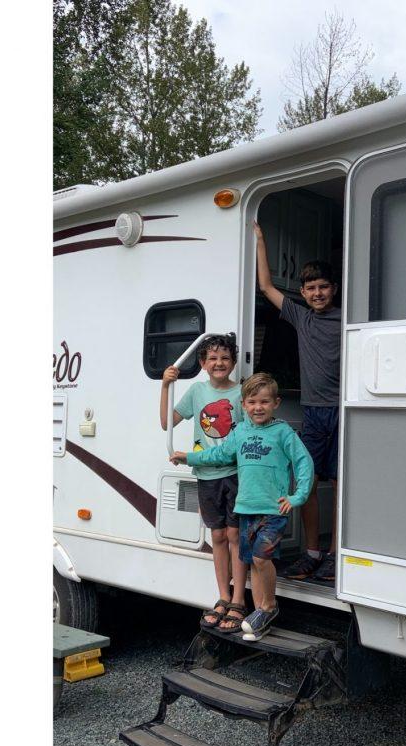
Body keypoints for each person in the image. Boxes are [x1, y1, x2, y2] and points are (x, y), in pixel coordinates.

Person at [170, 373, 313, 641]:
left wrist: (297, 497)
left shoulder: (283, 432)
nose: (258, 407)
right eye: (253, 402)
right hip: (245, 509)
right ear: (243, 405)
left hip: (272, 510)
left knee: (261, 558)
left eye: (265, 402)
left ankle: (269, 607)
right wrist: (189, 457)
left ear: (276, 403)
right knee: (253, 563)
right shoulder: (240, 432)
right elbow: (219, 454)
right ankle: (259, 618)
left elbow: (303, 462)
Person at [254, 221, 341, 581]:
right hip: (314, 412)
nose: (317, 293)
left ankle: (337, 554)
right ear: (302, 293)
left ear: (333, 289)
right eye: (311, 288)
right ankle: (311, 552)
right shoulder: (301, 317)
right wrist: (261, 240)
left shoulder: (348, 319)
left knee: (341, 486)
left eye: (323, 287)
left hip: (345, 411)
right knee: (305, 484)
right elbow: (265, 286)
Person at [160, 333, 248, 632]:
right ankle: (223, 596)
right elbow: (167, 422)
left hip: (235, 474)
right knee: (219, 537)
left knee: (236, 537)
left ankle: (238, 600)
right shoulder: (197, 391)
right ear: (202, 363)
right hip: (207, 477)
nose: (219, 363)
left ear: (234, 362)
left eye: (225, 358)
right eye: (212, 358)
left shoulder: (241, 394)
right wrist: (165, 386)